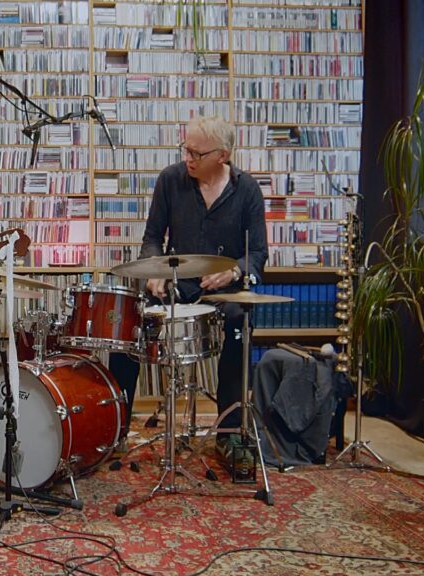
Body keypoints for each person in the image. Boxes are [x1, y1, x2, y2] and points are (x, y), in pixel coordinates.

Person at [109, 115, 267, 468]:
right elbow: (152, 238)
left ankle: (229, 433)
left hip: (224, 292)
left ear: (222, 155)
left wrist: (234, 270)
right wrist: (153, 272)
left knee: (240, 323)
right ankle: (116, 429)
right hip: (176, 285)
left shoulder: (247, 190)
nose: (188, 158)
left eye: (197, 153)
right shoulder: (170, 180)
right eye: (186, 149)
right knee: (127, 323)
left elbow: (258, 253)